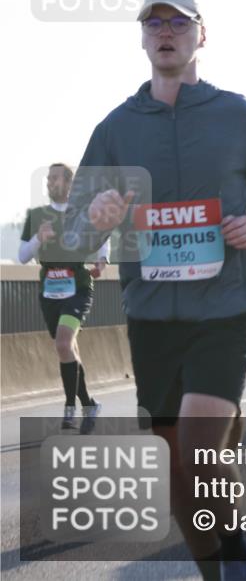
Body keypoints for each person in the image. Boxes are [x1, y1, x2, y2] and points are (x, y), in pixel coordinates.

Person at [63, 0, 246, 581]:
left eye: (178, 22)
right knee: (175, 471)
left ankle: (239, 557)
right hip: (151, 315)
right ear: (143, 38)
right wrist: (94, 223)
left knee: (198, 448)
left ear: (202, 34)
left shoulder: (238, 115)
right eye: (153, 24)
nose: (165, 31)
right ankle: (216, 571)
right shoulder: (116, 127)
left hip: (227, 307)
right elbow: (72, 230)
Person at [19, 163, 109, 432]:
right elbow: (23, 256)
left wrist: (102, 261)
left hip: (78, 285)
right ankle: (89, 403)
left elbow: (103, 234)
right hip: (49, 290)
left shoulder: (81, 213)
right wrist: (38, 237)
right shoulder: (36, 215)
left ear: (70, 184)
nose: (50, 183)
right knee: (66, 349)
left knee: (63, 342)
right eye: (48, 178)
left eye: (56, 178)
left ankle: (70, 408)